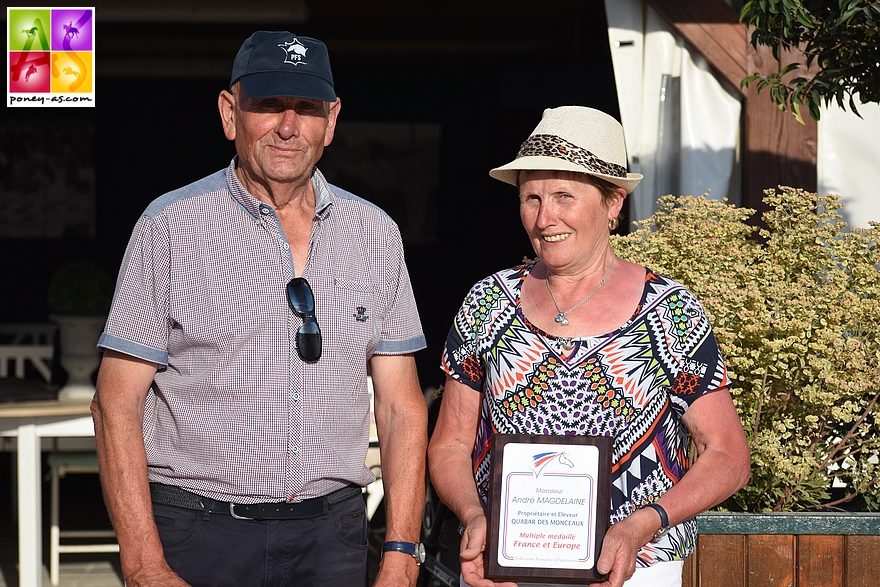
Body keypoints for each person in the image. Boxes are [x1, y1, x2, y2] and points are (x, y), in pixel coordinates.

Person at [92, 31, 428, 587]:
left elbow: (401, 406)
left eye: (307, 109)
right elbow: (114, 402)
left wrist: (400, 552)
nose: (289, 126)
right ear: (230, 113)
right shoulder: (169, 227)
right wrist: (144, 563)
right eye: (269, 105)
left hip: (333, 539)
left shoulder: (375, 233)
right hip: (199, 537)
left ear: (332, 120)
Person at [427, 106, 750, 587]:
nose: (545, 217)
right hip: (508, 571)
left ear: (614, 203)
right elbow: (450, 442)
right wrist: (476, 517)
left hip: (635, 571)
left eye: (564, 196)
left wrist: (642, 524)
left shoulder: (668, 311)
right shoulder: (488, 302)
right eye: (531, 198)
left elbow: (727, 455)